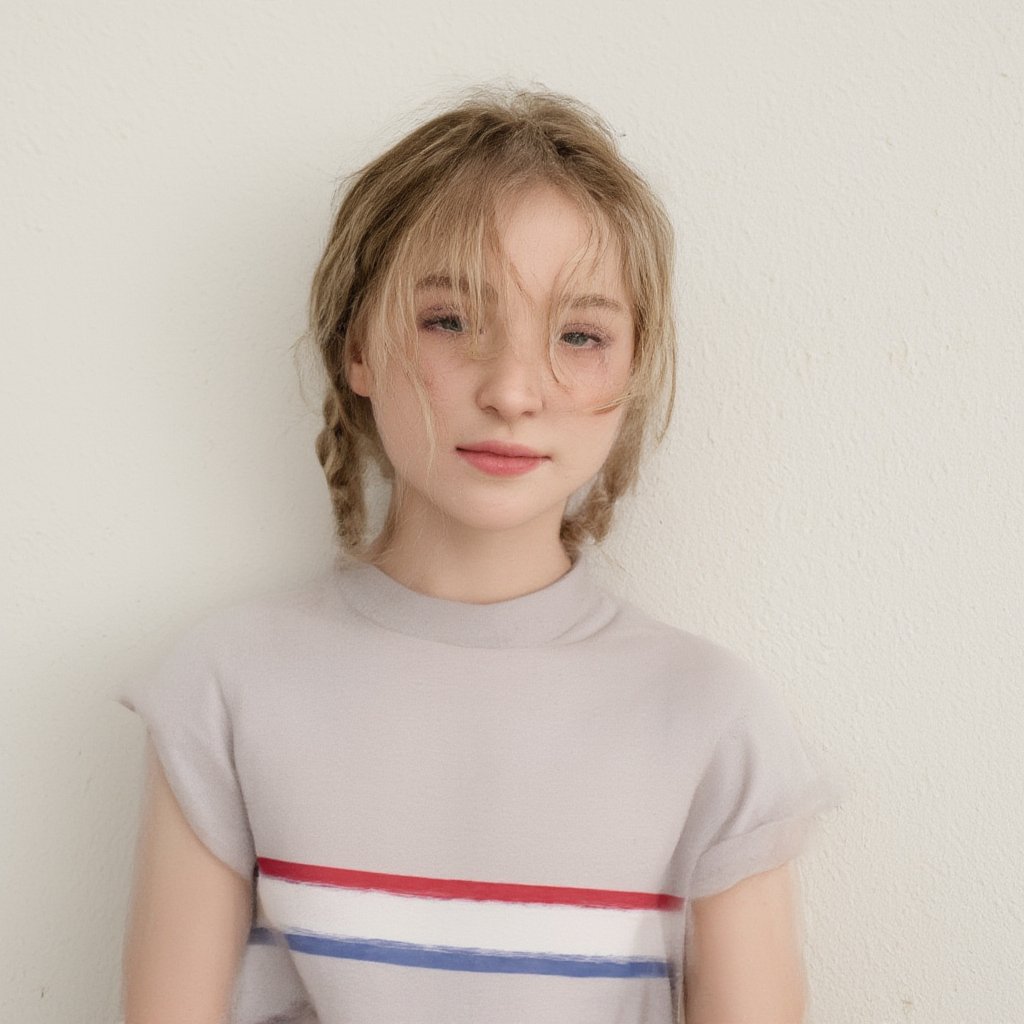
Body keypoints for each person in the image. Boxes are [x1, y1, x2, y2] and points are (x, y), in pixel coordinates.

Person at [119, 88, 835, 1024]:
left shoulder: (710, 717)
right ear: (357, 351)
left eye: (579, 336)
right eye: (450, 321)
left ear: (631, 372)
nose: (511, 390)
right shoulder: (226, 685)